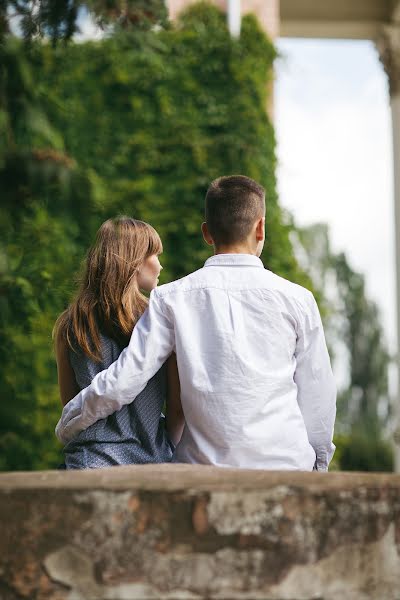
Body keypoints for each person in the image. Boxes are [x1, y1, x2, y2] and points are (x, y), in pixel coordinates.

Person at [56, 176, 336, 471]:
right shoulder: (299, 300)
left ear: (207, 233)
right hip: (286, 466)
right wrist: (319, 466)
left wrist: (69, 421)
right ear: (261, 227)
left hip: (203, 471)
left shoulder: (170, 299)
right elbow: (318, 397)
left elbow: (126, 378)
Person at [54, 216, 184, 469]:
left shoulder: (71, 325)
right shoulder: (160, 322)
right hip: (151, 462)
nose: (160, 266)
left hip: (88, 462)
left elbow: (72, 406)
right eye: (155, 255)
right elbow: (177, 409)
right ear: (136, 261)